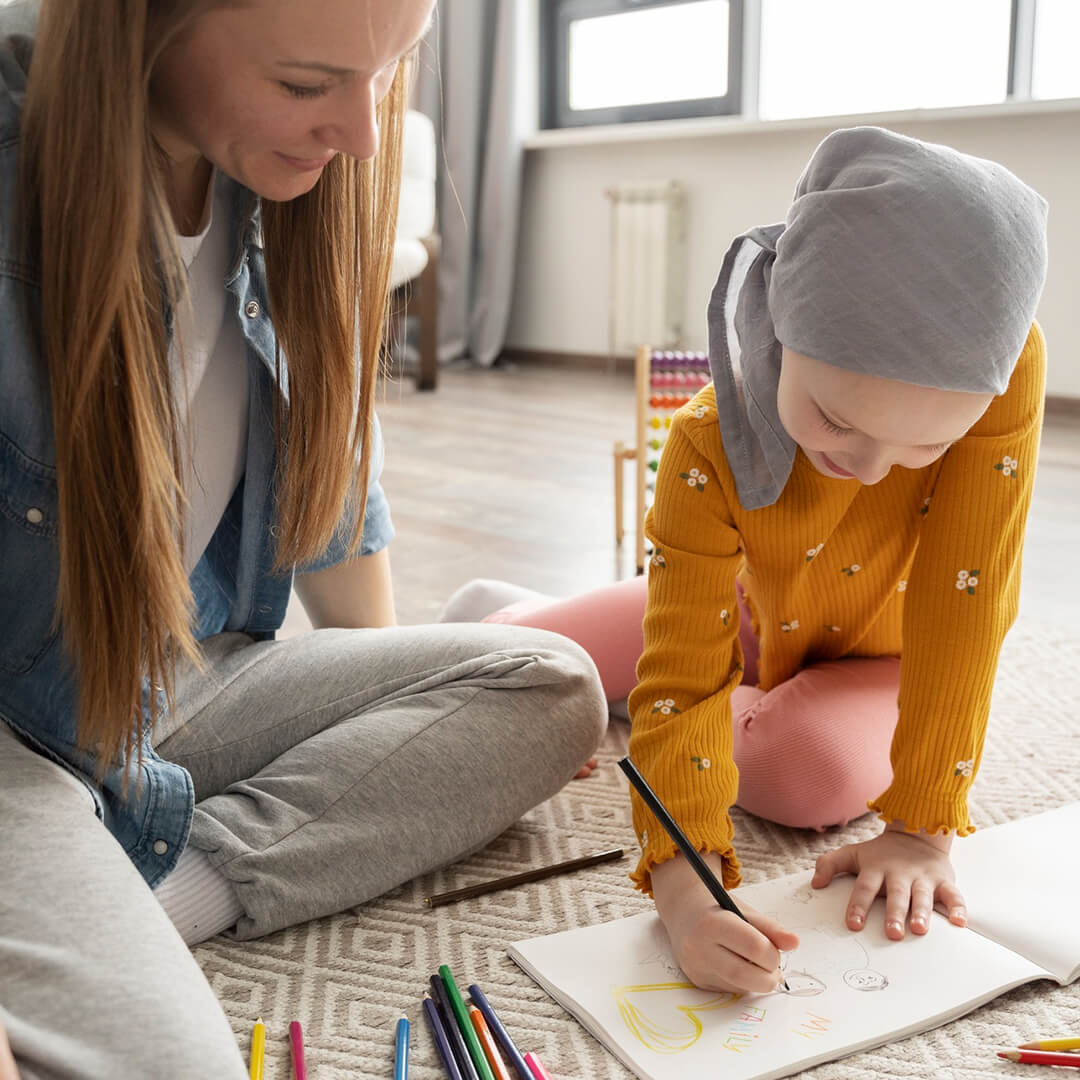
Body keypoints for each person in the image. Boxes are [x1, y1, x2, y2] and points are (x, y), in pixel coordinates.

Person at [0, 2, 607, 1076]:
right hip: (17, 736)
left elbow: (332, 485)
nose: (365, 137)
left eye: (389, 75)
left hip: (173, 675)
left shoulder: (285, 189)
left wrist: (393, 691)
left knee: (549, 681)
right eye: (305, 83)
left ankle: (160, 891)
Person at [442, 126, 1048, 995]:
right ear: (782, 317)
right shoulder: (703, 441)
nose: (873, 467)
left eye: (925, 446)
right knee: (507, 665)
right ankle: (533, 625)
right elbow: (687, 676)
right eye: (838, 421)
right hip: (752, 613)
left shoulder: (1006, 370)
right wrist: (687, 890)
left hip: (883, 658)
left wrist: (921, 827)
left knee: (806, 776)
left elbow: (970, 598)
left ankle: (607, 678)